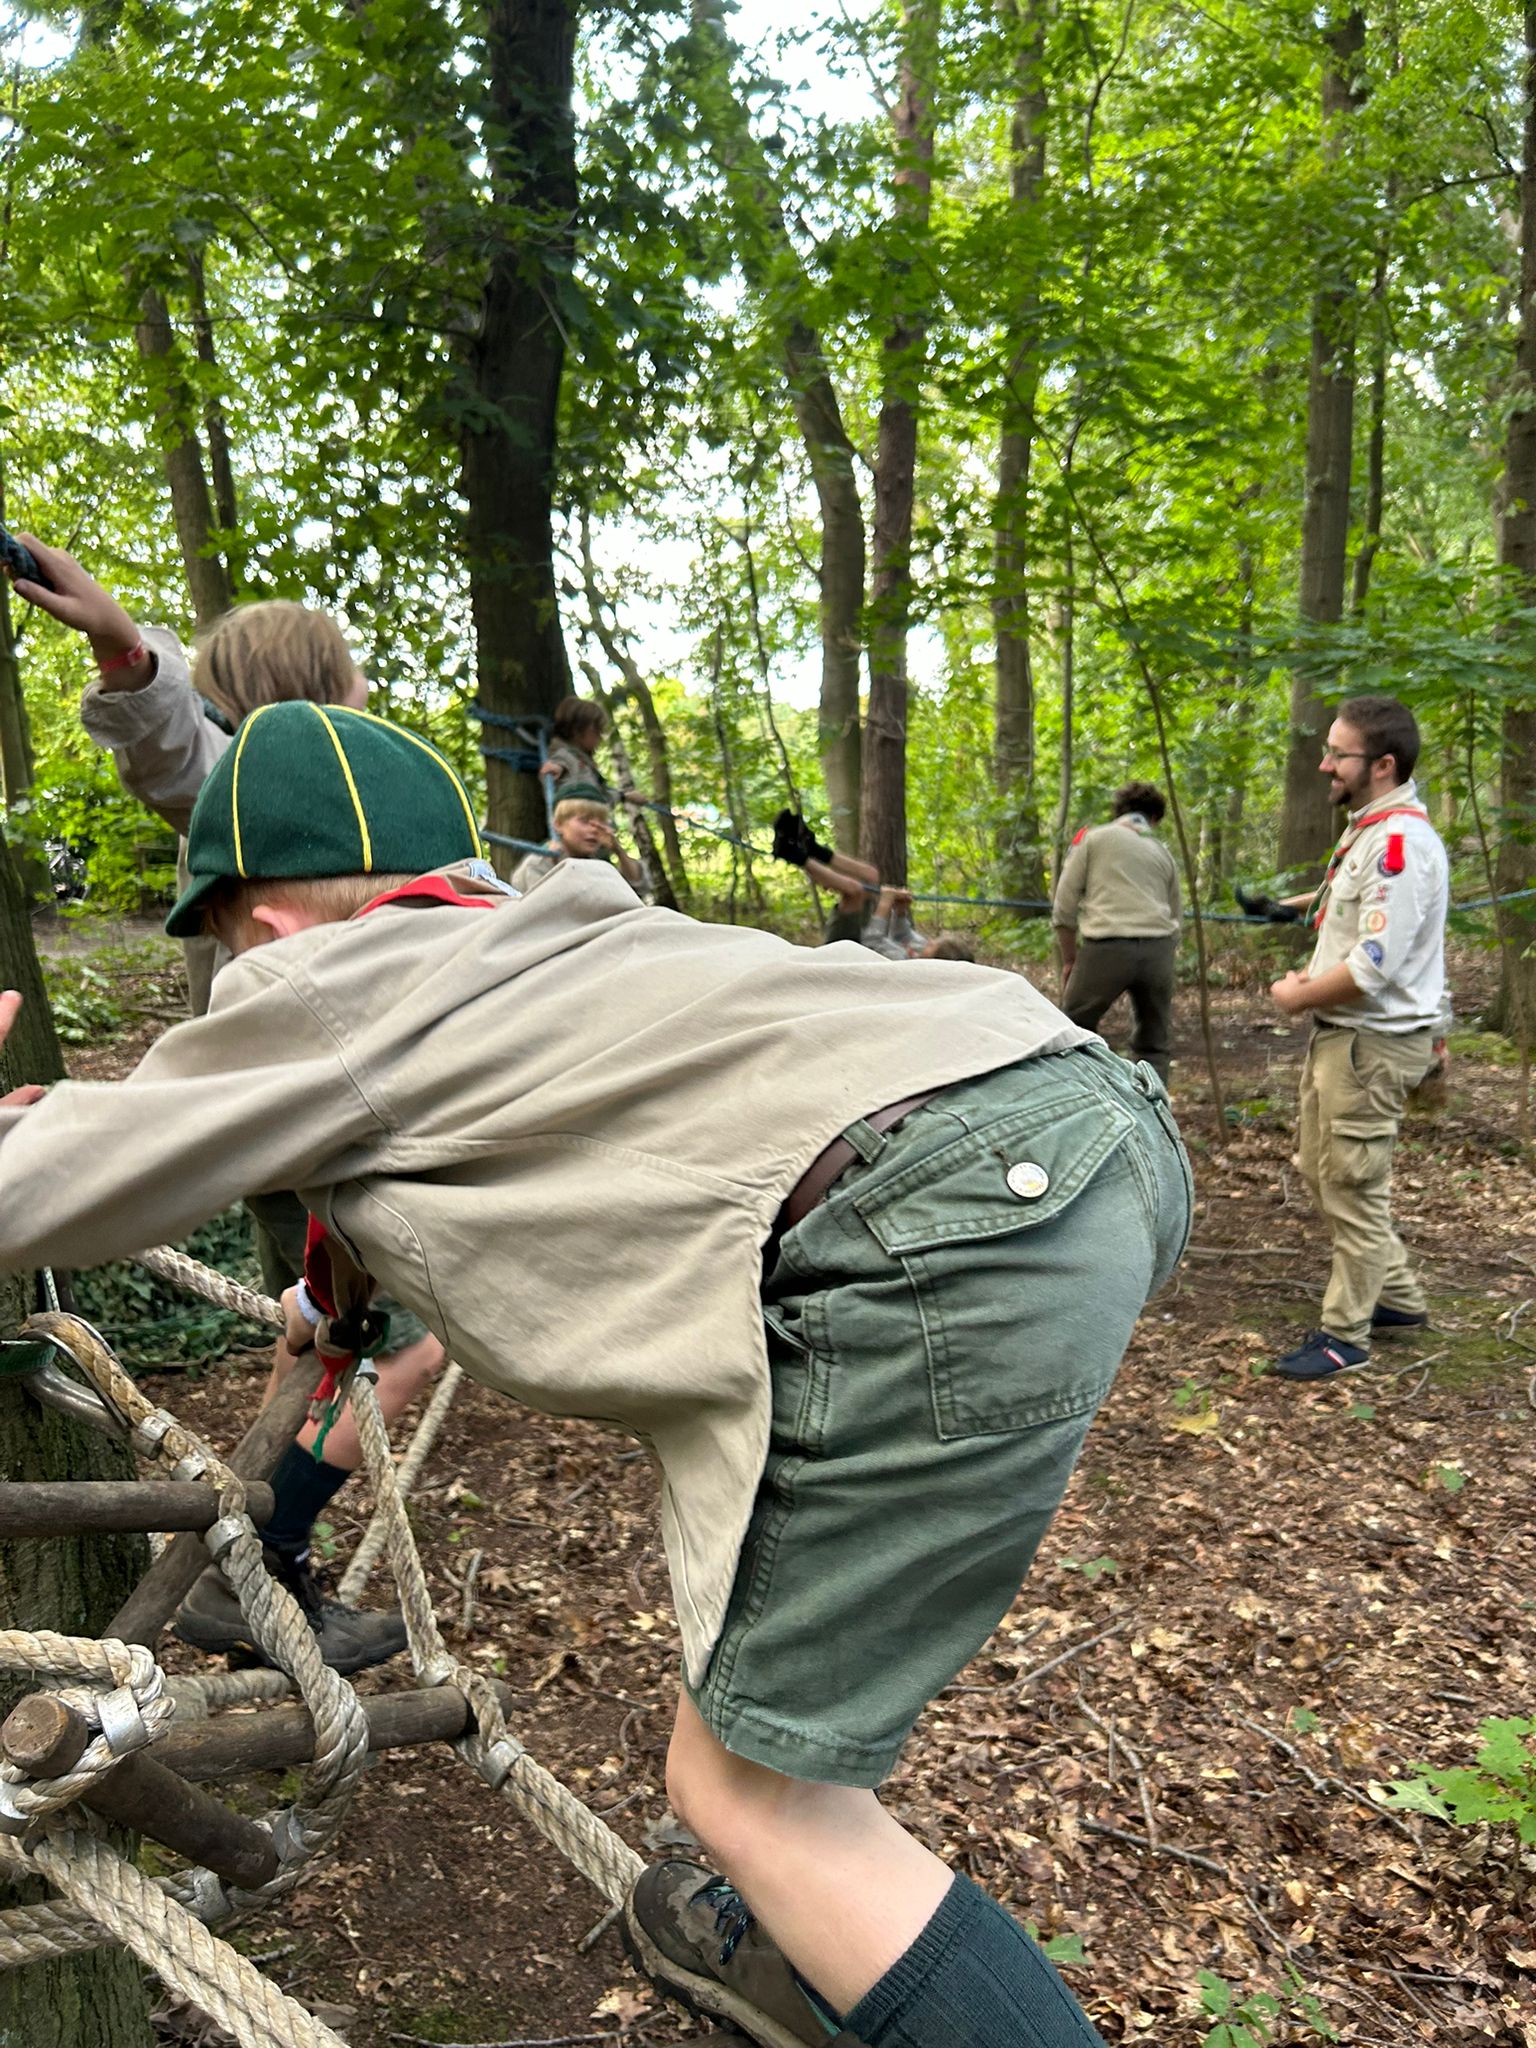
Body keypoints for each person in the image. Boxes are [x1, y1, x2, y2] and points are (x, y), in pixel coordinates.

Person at [0, 705, 1191, 2048]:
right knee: (760, 1741)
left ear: (267, 930)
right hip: (1084, 1119)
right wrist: (334, 1302)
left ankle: (842, 1939)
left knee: (758, 1801)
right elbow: (412, 1150)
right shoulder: (553, 930)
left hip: (930, 1214)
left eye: (218, 951)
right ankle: (826, 1957)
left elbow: (34, 1194)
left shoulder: (319, 979)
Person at [6, 534, 445, 1673]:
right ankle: (265, 1545)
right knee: (409, 1343)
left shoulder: (320, 814)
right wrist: (119, 642)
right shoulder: (263, 786)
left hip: (307, 1122)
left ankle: (253, 1537)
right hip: (307, 1119)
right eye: (350, 684)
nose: (368, 703)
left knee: (319, 1325)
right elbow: (171, 747)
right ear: (308, 694)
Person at [1266, 696, 1448, 1382]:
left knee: (1352, 1186)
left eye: (1338, 754)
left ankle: (1346, 1336)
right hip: (1345, 1040)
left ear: (1383, 765)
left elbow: (1372, 968)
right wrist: (1279, 910)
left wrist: (1295, 996)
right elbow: (1351, 907)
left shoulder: (1400, 845)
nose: (1324, 764)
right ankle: (1397, 1298)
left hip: (1370, 1046)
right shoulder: (1372, 832)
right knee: (1321, 1169)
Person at [1051, 783, 1181, 1085]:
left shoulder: (1093, 839)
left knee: (1071, 1030)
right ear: (1155, 818)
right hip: (1158, 950)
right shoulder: (1162, 853)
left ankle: (1076, 1095)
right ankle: (1156, 1111)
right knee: (1154, 1043)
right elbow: (1176, 916)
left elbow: (1064, 908)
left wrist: (1070, 959)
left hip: (1106, 948)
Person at [772, 810, 974, 961]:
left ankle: (792, 853)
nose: (928, 942)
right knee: (871, 874)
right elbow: (902, 935)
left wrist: (885, 904)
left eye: (932, 946)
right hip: (861, 941)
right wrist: (901, 912)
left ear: (933, 961)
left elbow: (873, 942)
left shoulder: (905, 962)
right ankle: (813, 848)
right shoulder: (923, 951)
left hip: (848, 952)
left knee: (854, 891)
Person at [510, 788, 644, 893]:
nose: (595, 829)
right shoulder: (538, 864)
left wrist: (618, 851)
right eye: (585, 821)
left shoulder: (598, 866)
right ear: (558, 824)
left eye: (601, 822)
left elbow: (637, 888)